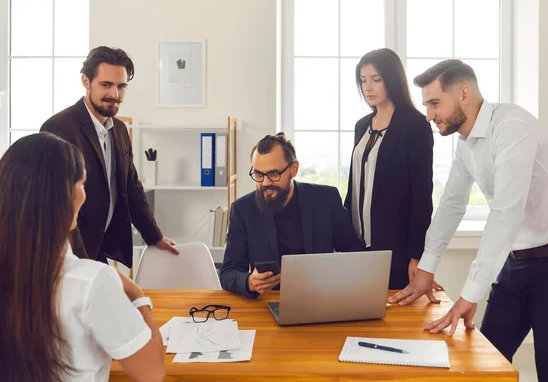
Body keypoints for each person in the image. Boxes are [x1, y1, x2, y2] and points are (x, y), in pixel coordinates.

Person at [0, 133, 165, 382]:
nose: (85, 195)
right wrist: (138, 297)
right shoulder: (92, 282)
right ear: (61, 196)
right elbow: (153, 373)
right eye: (82, 184)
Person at [389, 59, 548, 381]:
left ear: (464, 93)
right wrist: (426, 269)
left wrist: (469, 294)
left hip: (546, 263)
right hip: (513, 264)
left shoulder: (512, 126)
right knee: (485, 364)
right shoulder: (466, 143)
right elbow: (451, 205)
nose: (429, 115)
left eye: (435, 103)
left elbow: (506, 212)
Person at [40, 46, 178, 268]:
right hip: (70, 253)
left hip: (101, 246)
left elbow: (131, 185)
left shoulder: (120, 130)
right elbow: (59, 203)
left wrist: (155, 237)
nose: (115, 94)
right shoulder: (58, 127)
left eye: (121, 86)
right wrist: (83, 264)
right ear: (86, 81)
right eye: (106, 85)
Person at [220, 133, 363, 299]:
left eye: (274, 174)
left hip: (322, 297)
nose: (265, 183)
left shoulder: (326, 199)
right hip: (268, 302)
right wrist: (249, 282)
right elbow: (229, 272)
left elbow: (353, 253)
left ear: (293, 169)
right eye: (258, 174)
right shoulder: (242, 209)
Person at [344, 48, 442, 290]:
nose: (368, 87)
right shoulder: (362, 126)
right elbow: (355, 186)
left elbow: (421, 196)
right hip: (355, 248)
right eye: (363, 81)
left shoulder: (415, 126)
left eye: (376, 80)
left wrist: (417, 256)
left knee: (394, 324)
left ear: (392, 79)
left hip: (395, 251)